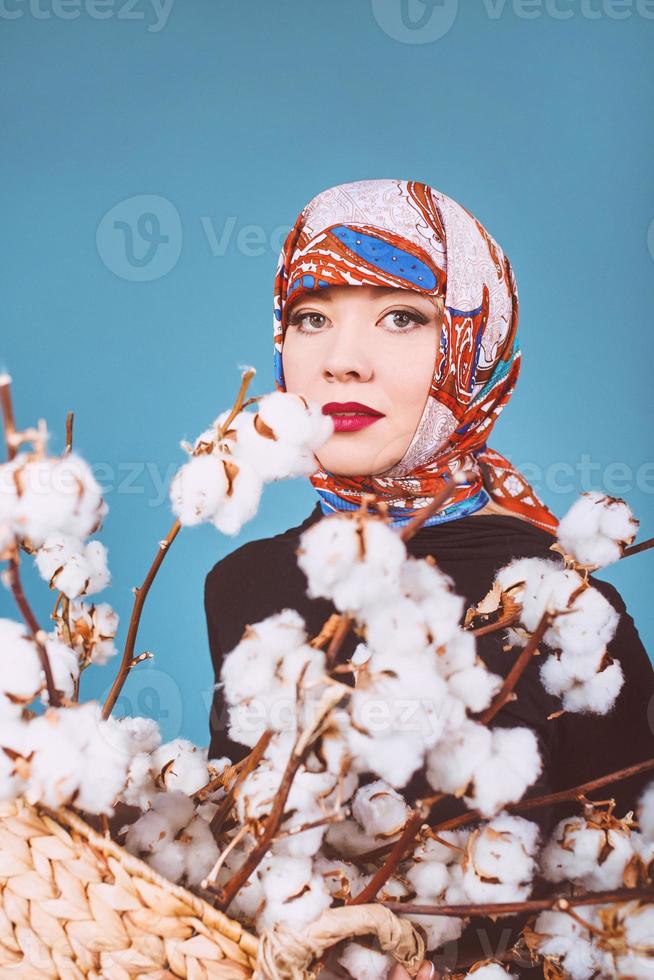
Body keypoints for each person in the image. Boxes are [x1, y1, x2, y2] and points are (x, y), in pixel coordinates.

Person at [204, 179, 654, 977]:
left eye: (402, 317)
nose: (342, 360)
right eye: (312, 317)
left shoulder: (565, 611)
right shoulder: (241, 584)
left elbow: (629, 908)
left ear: (474, 346)